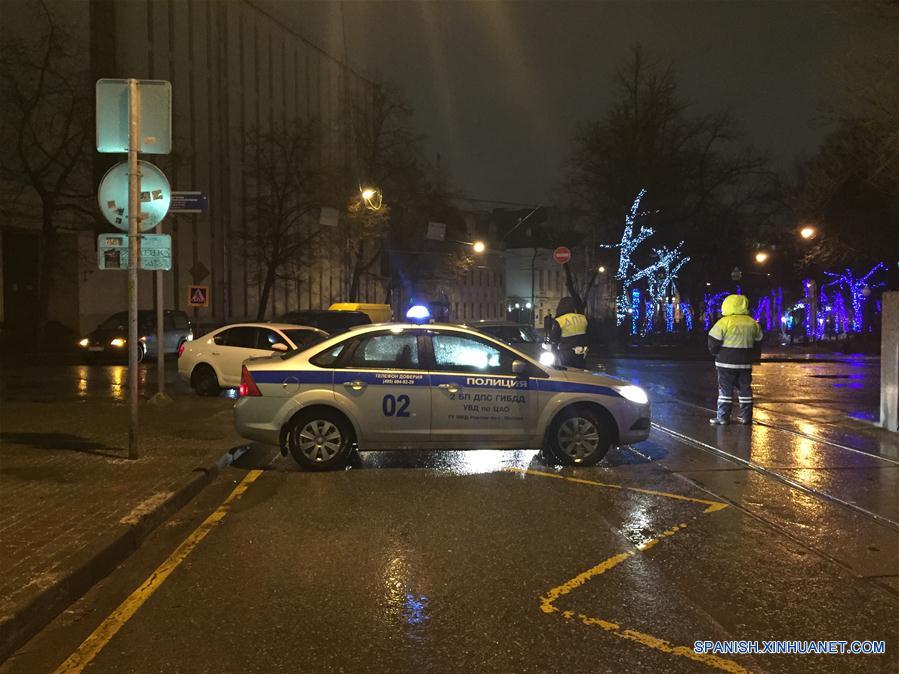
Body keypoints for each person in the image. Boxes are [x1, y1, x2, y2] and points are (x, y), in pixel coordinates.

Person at [707, 294, 763, 425]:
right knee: (745, 390)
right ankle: (746, 417)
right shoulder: (753, 323)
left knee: (725, 391)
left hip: (725, 363)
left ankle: (723, 417)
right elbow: (758, 342)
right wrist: (753, 356)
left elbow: (713, 342)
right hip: (745, 363)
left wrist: (716, 353)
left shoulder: (723, 322)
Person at [549, 297, 588, 368]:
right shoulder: (583, 318)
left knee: (567, 374)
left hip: (566, 353)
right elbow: (589, 335)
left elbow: (554, 339)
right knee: (580, 374)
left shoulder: (560, 320)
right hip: (581, 352)